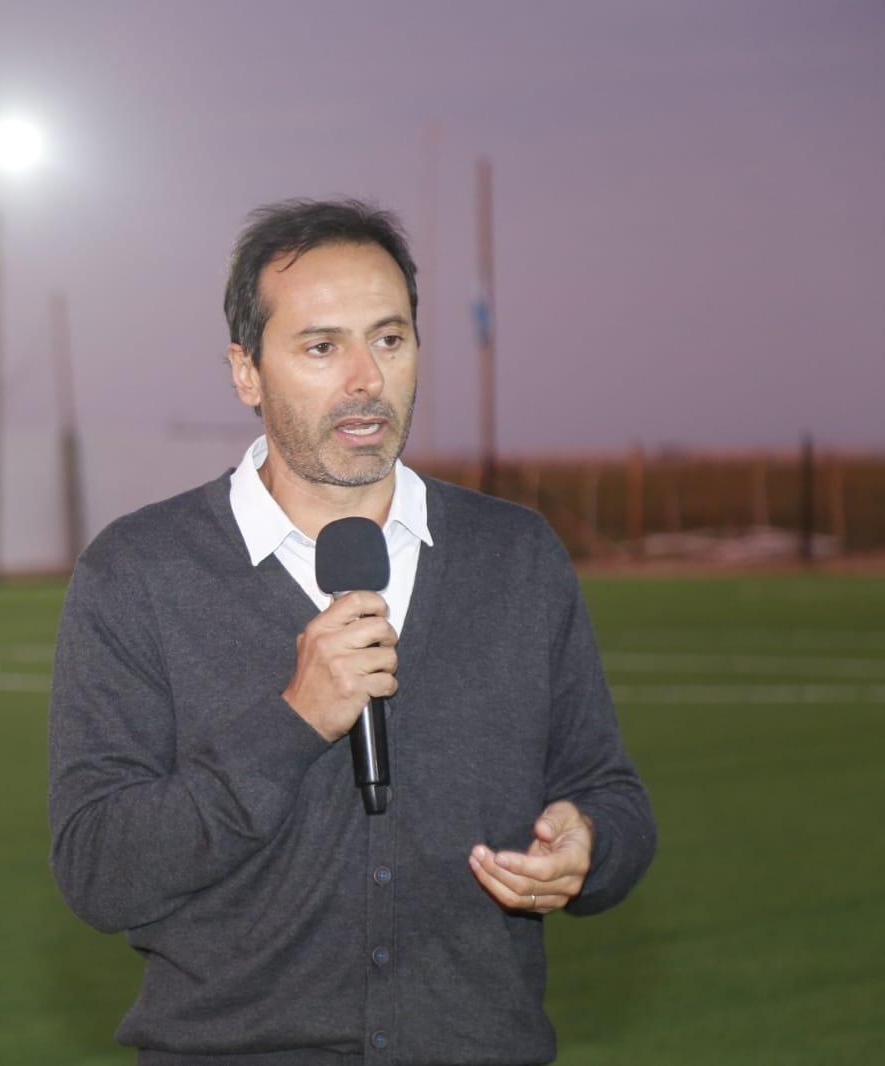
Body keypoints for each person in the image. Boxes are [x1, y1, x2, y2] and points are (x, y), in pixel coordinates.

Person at [47, 199, 657, 1065]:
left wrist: (589, 847)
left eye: (389, 339)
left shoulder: (513, 554)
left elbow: (609, 794)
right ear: (246, 371)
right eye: (321, 347)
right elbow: (100, 872)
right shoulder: (140, 571)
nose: (365, 379)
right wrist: (292, 721)